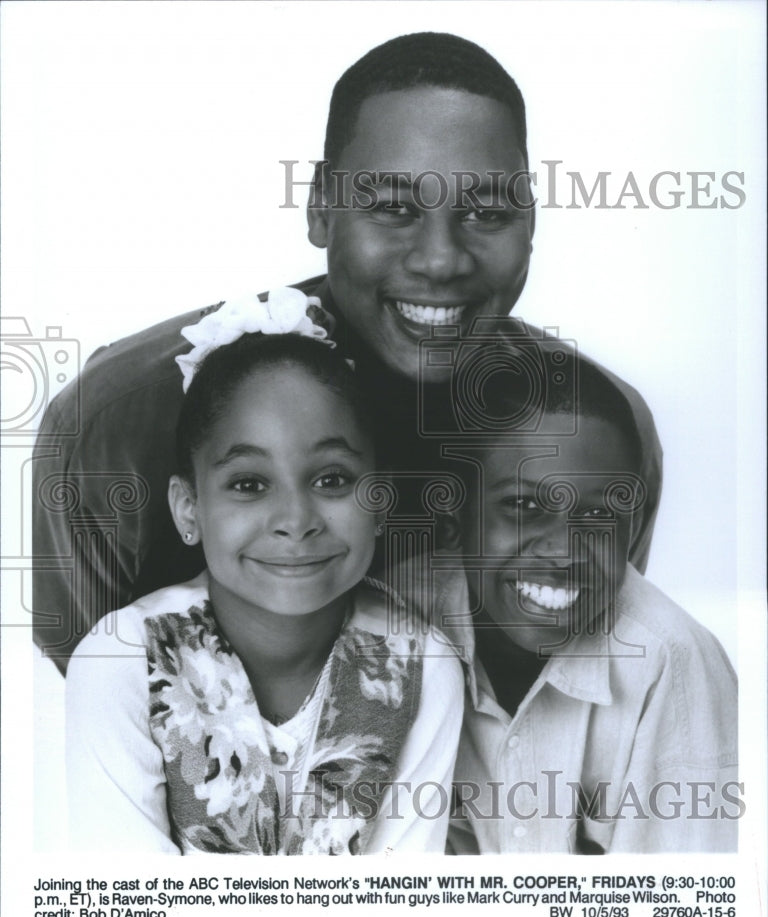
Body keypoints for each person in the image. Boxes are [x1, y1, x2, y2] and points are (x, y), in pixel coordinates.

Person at [32, 31, 662, 675]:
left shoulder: (599, 431)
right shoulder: (113, 425)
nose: (441, 260)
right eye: (392, 208)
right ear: (320, 208)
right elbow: (106, 704)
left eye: (488, 212)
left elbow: (575, 686)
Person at [65, 290, 464, 854]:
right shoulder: (120, 658)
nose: (296, 521)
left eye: (331, 479)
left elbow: (399, 910)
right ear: (188, 508)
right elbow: (129, 914)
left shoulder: (424, 667)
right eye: (249, 484)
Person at [417, 341, 738, 853]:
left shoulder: (672, 662)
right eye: (523, 505)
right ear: (457, 520)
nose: (564, 552)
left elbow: (678, 912)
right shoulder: (396, 622)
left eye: (599, 515)